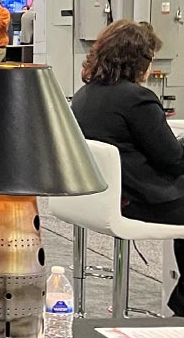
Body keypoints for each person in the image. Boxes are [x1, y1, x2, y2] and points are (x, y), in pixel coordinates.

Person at [70, 20, 184, 316]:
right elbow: (172, 160)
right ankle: (182, 307)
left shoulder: (85, 95)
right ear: (139, 61)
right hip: (139, 202)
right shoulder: (137, 99)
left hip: (98, 198)